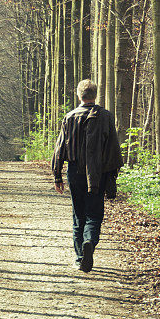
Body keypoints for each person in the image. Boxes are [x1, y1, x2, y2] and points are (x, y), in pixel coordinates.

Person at [51, 79, 123, 273]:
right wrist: (112, 175)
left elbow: (60, 148)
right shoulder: (106, 117)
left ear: (79, 95)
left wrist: (57, 175)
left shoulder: (69, 117)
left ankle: (79, 257)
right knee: (94, 213)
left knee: (78, 214)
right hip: (97, 173)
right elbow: (113, 149)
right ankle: (89, 240)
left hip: (74, 172)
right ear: (95, 95)